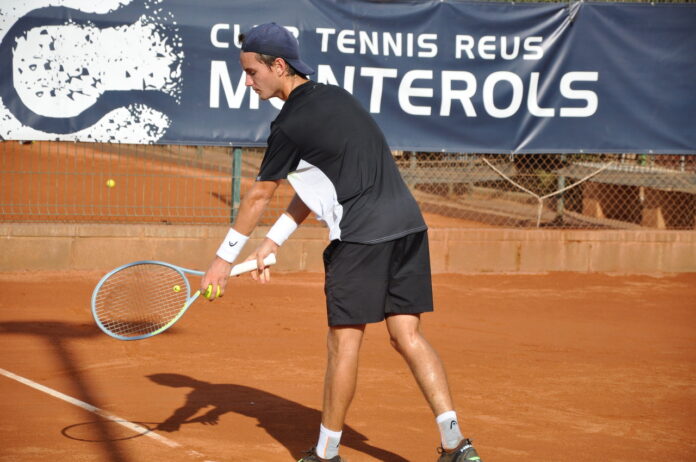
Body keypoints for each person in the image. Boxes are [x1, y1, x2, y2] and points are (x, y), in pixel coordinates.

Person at [201, 22, 483, 462]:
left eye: (252, 71)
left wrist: (222, 261)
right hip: (409, 226)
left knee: (344, 342)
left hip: (363, 236)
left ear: (279, 66)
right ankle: (456, 445)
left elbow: (260, 194)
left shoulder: (289, 123)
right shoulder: (337, 97)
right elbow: (317, 187)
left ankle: (327, 453)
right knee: (407, 335)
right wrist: (273, 241)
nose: (247, 80)